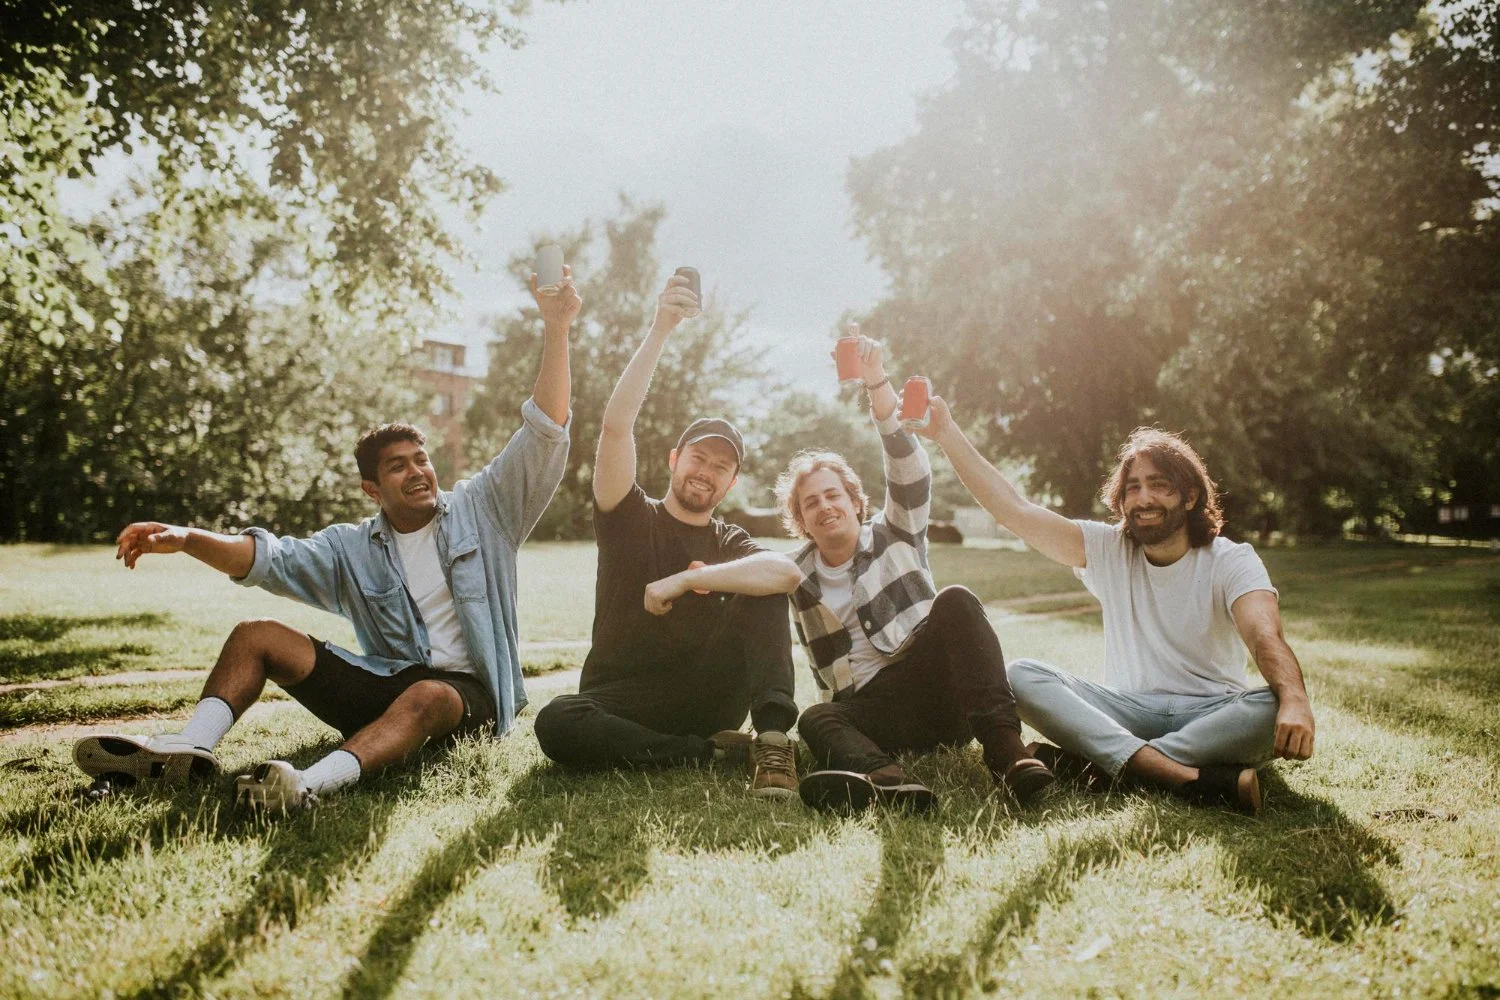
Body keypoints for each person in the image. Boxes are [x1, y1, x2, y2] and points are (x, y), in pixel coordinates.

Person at [72, 267, 580, 811]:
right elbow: (268, 559)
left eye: (421, 459)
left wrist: (556, 327)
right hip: (388, 685)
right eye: (398, 467)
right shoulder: (351, 548)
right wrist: (186, 538)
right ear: (371, 489)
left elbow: (544, 431)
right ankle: (188, 751)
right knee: (254, 635)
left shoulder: (484, 511)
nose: (417, 472)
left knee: (428, 693)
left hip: (467, 700)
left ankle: (308, 785)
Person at [648, 330, 1054, 813]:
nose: (824, 507)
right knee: (817, 718)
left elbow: (909, 469)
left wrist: (876, 382)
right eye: (810, 503)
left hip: (939, 689)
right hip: (875, 713)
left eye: (832, 495)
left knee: (957, 600)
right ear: (801, 520)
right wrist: (691, 578)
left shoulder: (895, 532)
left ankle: (1007, 754)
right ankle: (887, 780)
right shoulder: (796, 569)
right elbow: (760, 572)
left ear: (856, 502)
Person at [919, 396, 1315, 814]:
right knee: (1020, 676)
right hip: (1124, 710)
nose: (1144, 499)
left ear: (1190, 497)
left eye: (1159, 485)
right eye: (1133, 488)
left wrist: (1295, 699)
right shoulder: (1107, 548)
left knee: (1273, 705)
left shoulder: (1232, 560)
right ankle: (1174, 773)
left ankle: (1097, 766)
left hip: (1211, 714)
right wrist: (946, 434)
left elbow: (1264, 635)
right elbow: (1013, 510)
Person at [530, 271, 801, 800]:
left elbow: (786, 572)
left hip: (708, 696)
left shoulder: (729, 540)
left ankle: (772, 742)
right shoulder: (629, 515)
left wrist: (682, 580)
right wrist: (661, 328)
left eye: (721, 466)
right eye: (699, 457)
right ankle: (706, 753)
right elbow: (616, 426)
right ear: (675, 460)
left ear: (731, 482)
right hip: (621, 698)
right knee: (557, 721)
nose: (706, 472)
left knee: (765, 587)